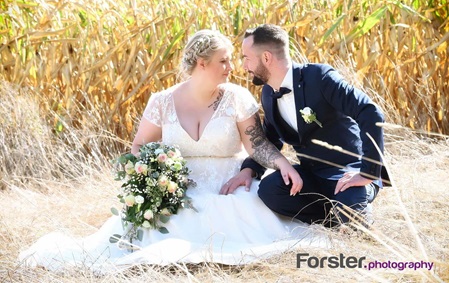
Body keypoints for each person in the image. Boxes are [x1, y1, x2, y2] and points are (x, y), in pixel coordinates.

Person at [18, 29, 328, 274]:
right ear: (201, 64)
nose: (231, 68)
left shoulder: (236, 97)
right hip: (178, 187)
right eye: (223, 61)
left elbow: (256, 143)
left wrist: (282, 164)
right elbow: (140, 146)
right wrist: (153, 175)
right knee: (149, 231)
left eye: (232, 60)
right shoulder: (162, 101)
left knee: (260, 230)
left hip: (228, 187)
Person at [237, 24, 389, 228]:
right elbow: (270, 138)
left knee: (354, 220)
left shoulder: (320, 77)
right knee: (269, 190)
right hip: (311, 176)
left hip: (347, 172)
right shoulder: (268, 93)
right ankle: (331, 218)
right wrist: (250, 169)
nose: (244, 66)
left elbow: (370, 112)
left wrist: (367, 172)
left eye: (247, 58)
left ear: (266, 58)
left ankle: (353, 206)